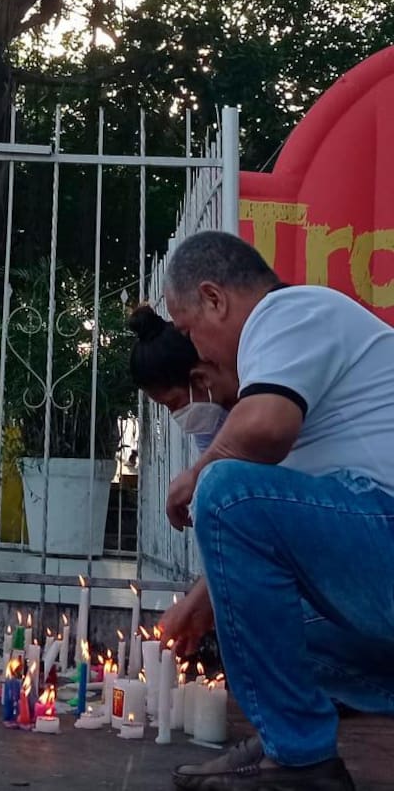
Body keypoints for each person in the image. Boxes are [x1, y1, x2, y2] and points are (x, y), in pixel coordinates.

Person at [157, 230, 394, 791]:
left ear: (214, 298)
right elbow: (277, 531)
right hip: (375, 553)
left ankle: (300, 759)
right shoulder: (294, 360)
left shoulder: (289, 311)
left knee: (227, 489)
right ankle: (283, 743)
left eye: (189, 331)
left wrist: (197, 474)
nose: (198, 353)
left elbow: (262, 429)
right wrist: (202, 603)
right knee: (256, 615)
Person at [127, 304, 237, 453]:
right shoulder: (211, 426)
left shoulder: (258, 377)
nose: (175, 414)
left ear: (199, 379)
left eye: (174, 403)